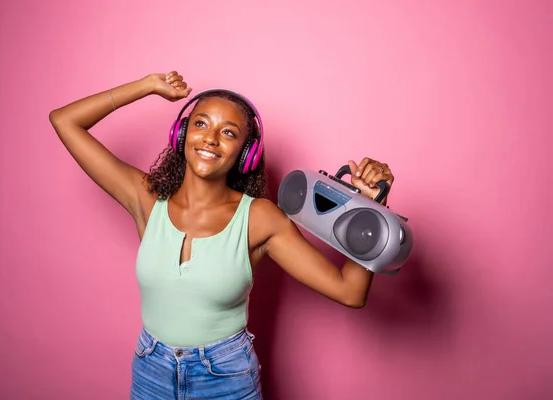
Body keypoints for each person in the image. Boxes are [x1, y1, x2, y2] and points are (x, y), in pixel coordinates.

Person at [49, 71, 395, 400]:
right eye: (200, 124)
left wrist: (370, 207)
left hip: (224, 376)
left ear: (247, 153)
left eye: (228, 132)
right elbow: (64, 120)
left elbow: (350, 292)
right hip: (150, 367)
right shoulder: (146, 198)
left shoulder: (259, 218)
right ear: (181, 135)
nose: (210, 139)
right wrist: (146, 86)